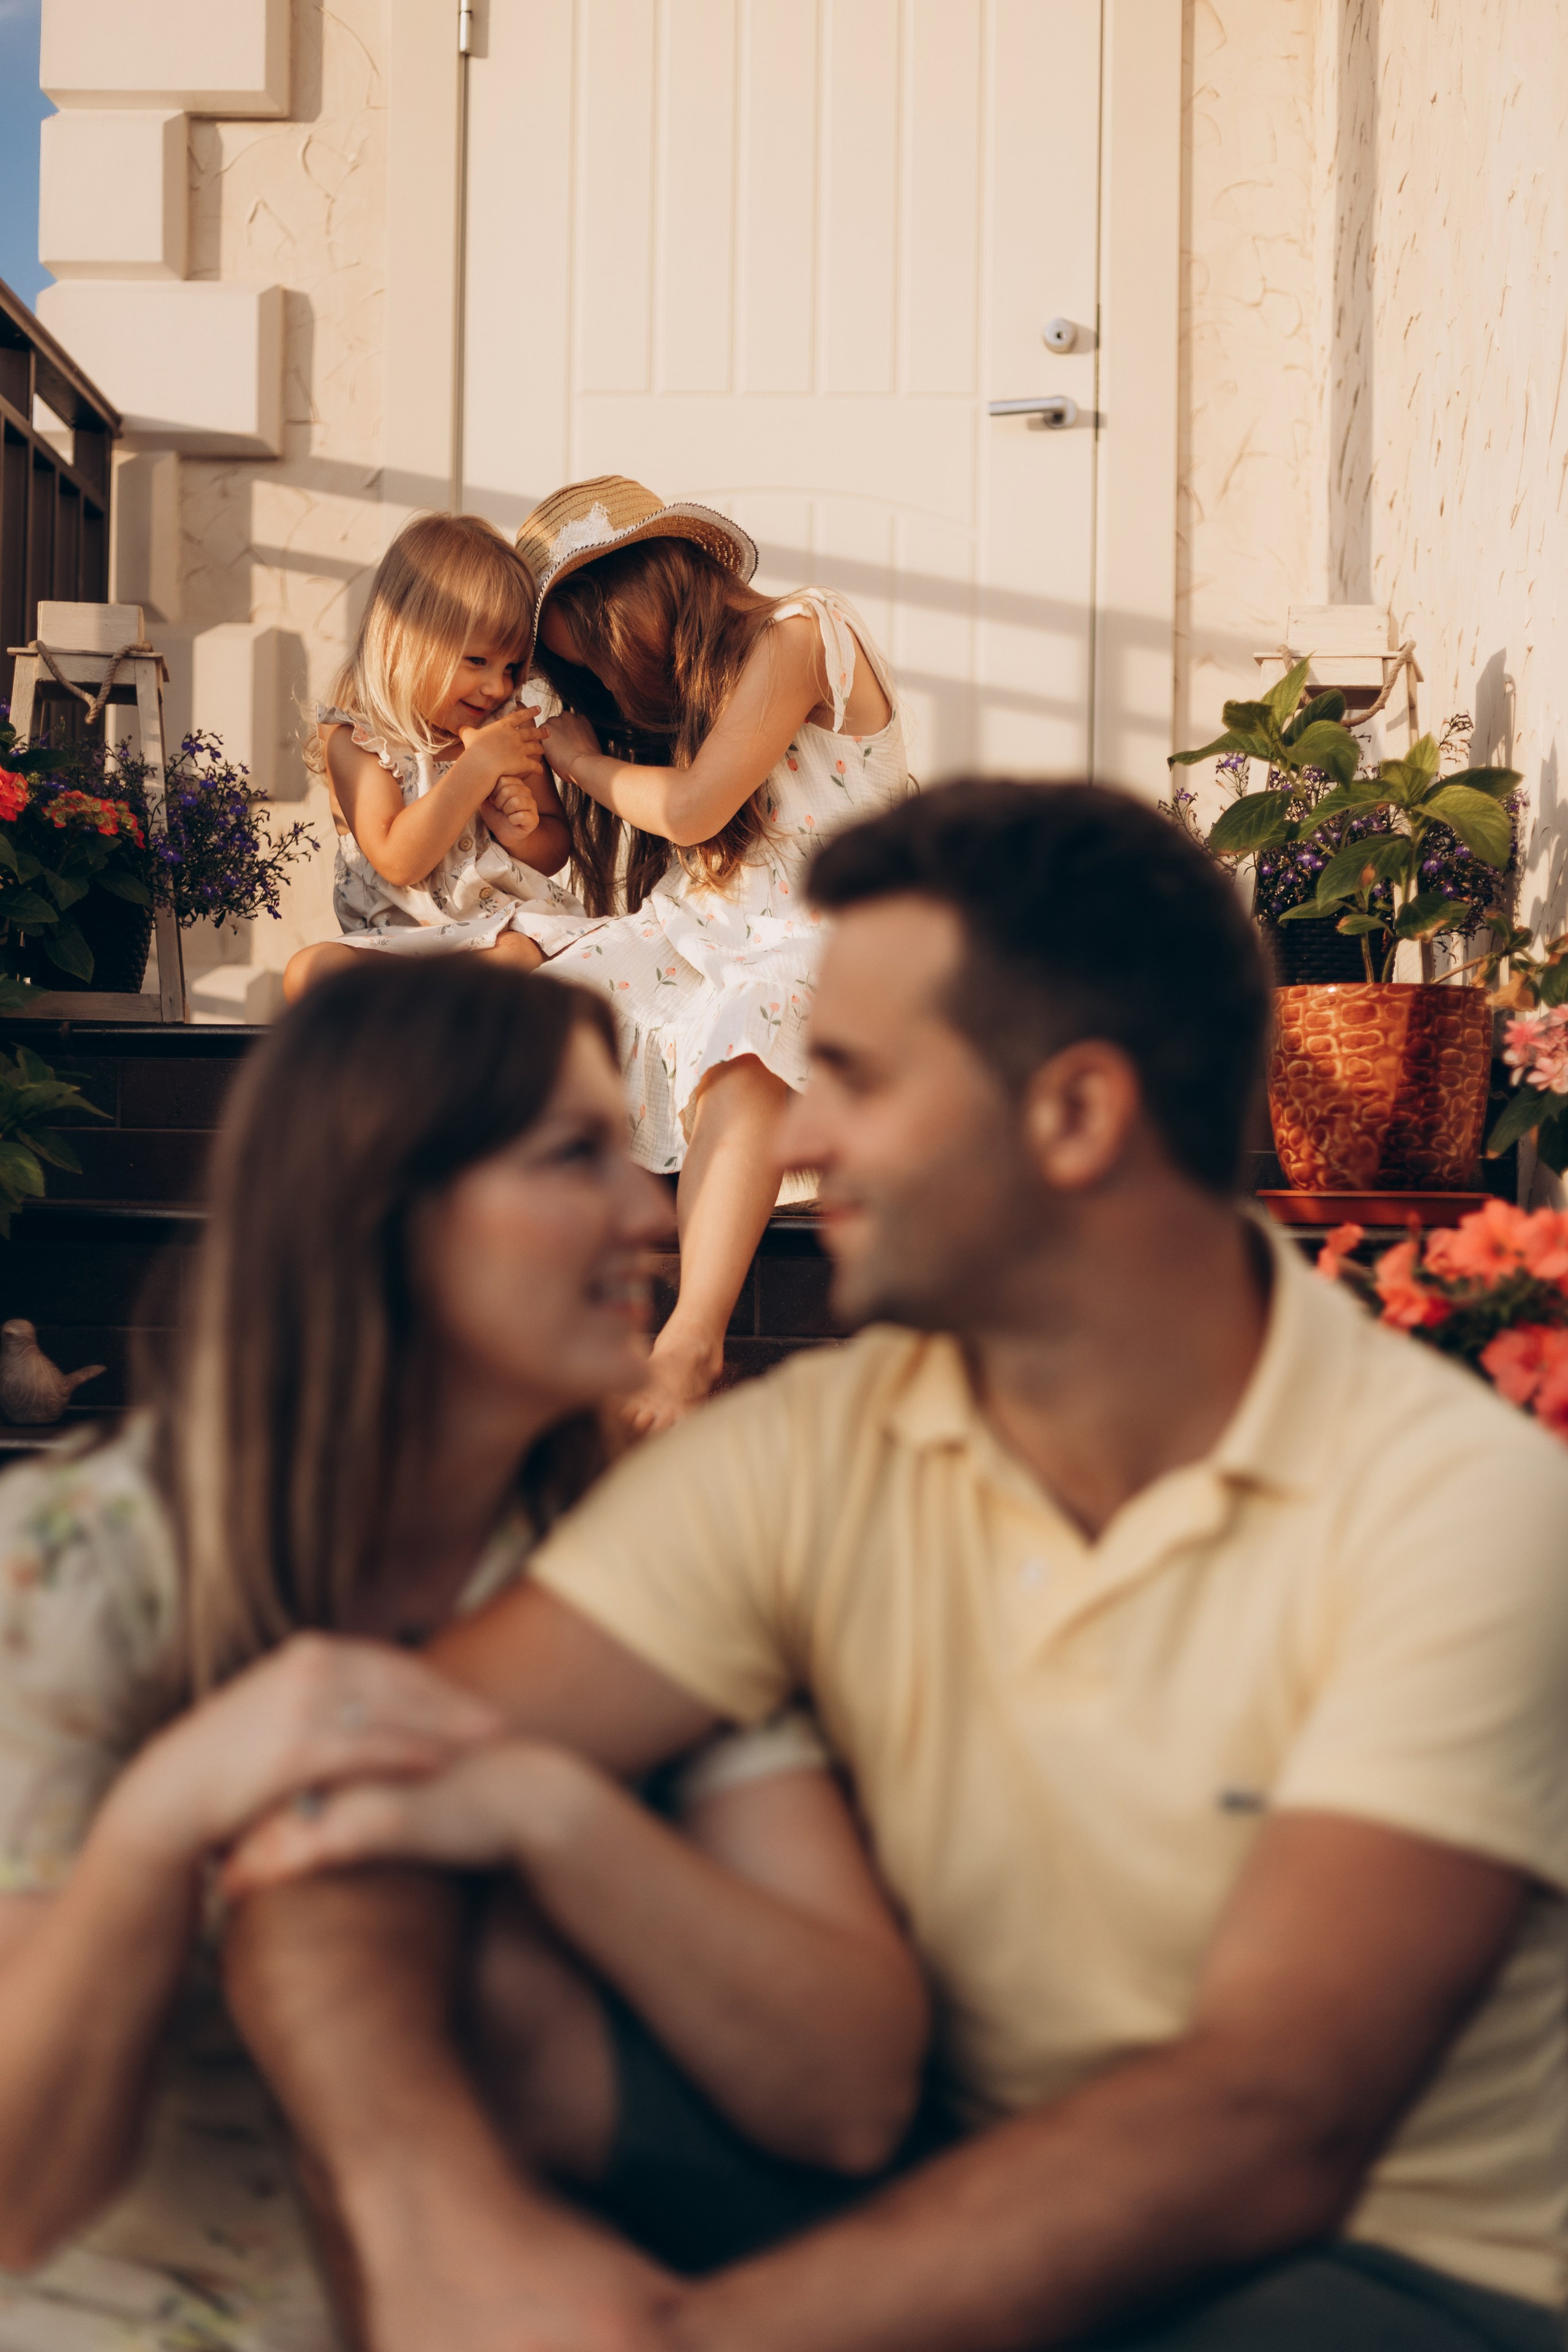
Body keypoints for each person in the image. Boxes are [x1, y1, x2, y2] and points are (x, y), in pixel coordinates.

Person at [226, 780, 1568, 2352]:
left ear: (1072, 1114)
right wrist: (436, 2224)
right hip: (959, 2156)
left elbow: (1261, 2126)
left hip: (1372, 2264)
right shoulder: (820, 1447)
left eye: (851, 1074)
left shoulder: (1453, 1505)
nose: (793, 1131)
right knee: (474, 1975)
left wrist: (676, 2336)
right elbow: (341, 1789)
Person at [0, 959, 928, 2352]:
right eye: (578, 1157)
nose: (646, 1212)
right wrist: (159, 1818)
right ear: (385, 1210)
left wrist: (535, 1802)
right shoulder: (78, 1555)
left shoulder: (652, 1549)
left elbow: (847, 2082)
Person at [516, 475, 914, 1431]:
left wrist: (579, 761)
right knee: (534, 1016)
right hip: (698, 931)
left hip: (833, 936)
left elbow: (695, 808)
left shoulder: (803, 633)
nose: (610, 691)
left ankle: (692, 1338)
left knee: (750, 1024)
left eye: (599, 660)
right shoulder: (695, 694)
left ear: (635, 598)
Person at [283, 511, 585, 1001]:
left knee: (521, 952)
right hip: (397, 947)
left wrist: (521, 832)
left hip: (497, 933)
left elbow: (554, 849)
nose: (497, 687)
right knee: (310, 970)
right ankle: (436, 1010)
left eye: (511, 667)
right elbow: (399, 862)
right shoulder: (359, 741)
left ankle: (437, 1015)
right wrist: (477, 769)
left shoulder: (503, 730)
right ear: (406, 643)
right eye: (477, 661)